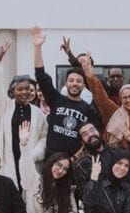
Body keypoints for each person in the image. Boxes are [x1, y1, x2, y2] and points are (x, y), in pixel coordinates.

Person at [30, 27, 102, 159]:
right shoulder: (56, 99)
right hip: (52, 159)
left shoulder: (89, 110)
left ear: (84, 85)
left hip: (75, 161)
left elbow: (95, 136)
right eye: (71, 80)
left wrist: (78, 156)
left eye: (79, 81)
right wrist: (37, 47)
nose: (75, 83)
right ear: (66, 83)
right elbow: (40, 76)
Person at [0, 40, 48, 191]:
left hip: (30, 161)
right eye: (20, 89)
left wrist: (35, 153)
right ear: (12, 92)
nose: (24, 92)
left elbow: (44, 136)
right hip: (8, 160)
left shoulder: (38, 113)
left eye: (27, 89)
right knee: (10, 195)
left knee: (29, 196)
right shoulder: (5, 107)